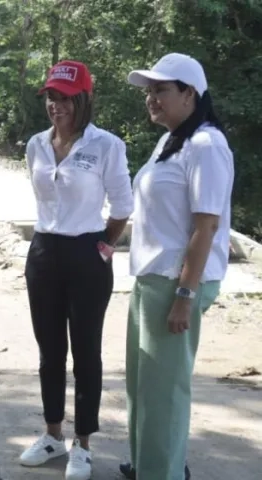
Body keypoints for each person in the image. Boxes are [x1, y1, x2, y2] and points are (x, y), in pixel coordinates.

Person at [18, 60, 134, 480]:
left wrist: (104, 245)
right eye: (51, 97)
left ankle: (82, 444)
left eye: (65, 98)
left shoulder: (106, 145)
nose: (56, 105)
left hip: (88, 252)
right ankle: (52, 434)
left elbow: (123, 206)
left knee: (86, 352)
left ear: (83, 99)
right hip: (45, 251)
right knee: (50, 350)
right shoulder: (36, 144)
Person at [119, 53, 233, 480]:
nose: (151, 98)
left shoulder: (206, 144)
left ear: (190, 93)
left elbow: (205, 227)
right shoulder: (172, 141)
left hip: (176, 284)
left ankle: (162, 473)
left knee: (164, 392)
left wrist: (185, 295)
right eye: (149, 91)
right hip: (151, 280)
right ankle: (148, 465)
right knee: (143, 386)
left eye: (161, 89)